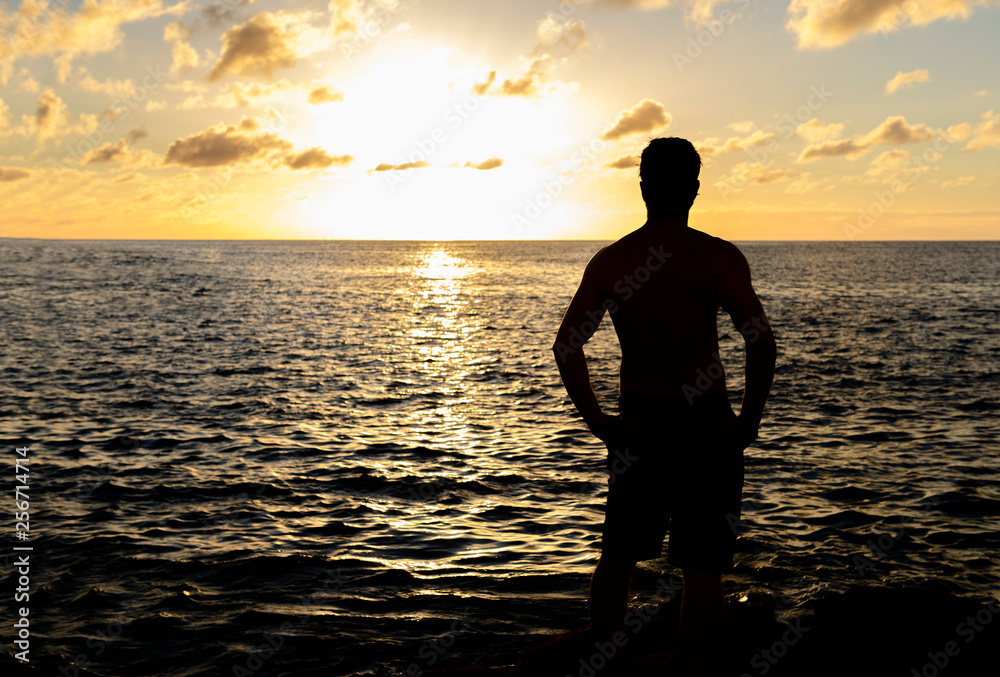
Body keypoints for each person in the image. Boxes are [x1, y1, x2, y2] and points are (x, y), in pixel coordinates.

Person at [552, 137, 777, 676]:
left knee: (619, 555)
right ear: (695, 189)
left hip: (640, 422)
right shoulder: (717, 257)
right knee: (702, 569)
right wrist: (747, 421)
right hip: (708, 424)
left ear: (643, 186)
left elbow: (568, 346)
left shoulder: (614, 260)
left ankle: (605, 672)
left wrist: (600, 422)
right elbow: (760, 341)